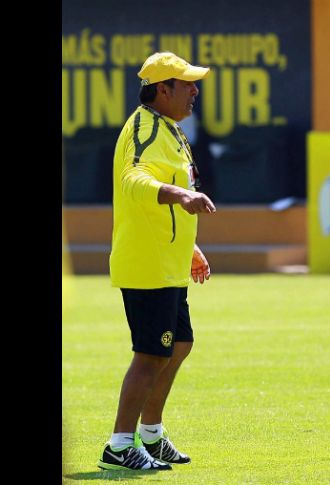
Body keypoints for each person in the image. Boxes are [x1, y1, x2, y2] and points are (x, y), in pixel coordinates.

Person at [97, 52, 217, 471]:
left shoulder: (169, 128)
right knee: (150, 355)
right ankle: (119, 445)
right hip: (147, 264)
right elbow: (134, 180)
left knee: (178, 346)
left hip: (167, 261)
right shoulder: (144, 129)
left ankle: (150, 434)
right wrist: (181, 195)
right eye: (187, 83)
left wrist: (190, 247)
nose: (195, 90)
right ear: (162, 90)